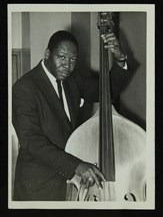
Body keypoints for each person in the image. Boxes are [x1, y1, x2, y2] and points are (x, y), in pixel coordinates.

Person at [12, 30, 129, 201]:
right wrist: (76, 166)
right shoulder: (25, 88)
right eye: (61, 57)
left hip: (70, 183)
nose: (67, 65)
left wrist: (120, 59)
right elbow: (31, 141)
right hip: (39, 185)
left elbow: (107, 90)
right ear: (47, 54)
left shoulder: (73, 80)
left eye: (73, 60)